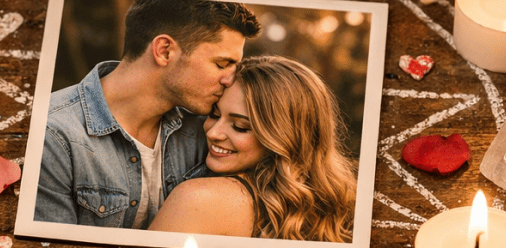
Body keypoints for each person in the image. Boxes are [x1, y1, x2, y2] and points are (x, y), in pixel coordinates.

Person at [34, 0, 261, 229]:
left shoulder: (209, 129)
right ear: (164, 51)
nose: (230, 79)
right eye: (222, 64)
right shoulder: (53, 133)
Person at [149, 55, 358, 242]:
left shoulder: (198, 199)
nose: (213, 133)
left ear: (282, 138)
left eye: (240, 127)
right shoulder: (323, 207)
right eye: (214, 114)